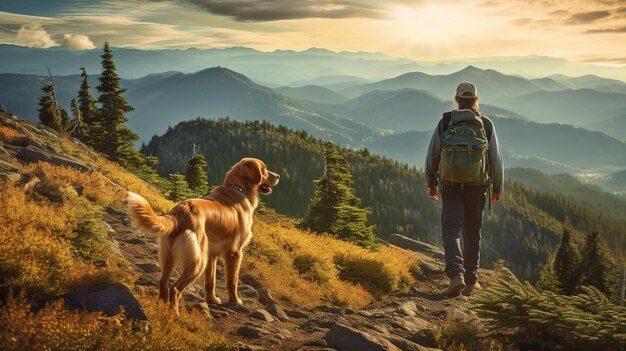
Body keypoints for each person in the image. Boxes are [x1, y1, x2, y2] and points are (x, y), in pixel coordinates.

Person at [424, 82, 503, 297]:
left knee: (451, 231)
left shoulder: (446, 121)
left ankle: (455, 275)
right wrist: (498, 186)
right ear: (476, 99)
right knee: (472, 232)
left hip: (450, 185)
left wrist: (431, 182)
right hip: (477, 186)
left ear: (457, 100)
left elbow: (433, 153)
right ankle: (470, 281)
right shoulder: (485, 124)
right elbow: (495, 159)